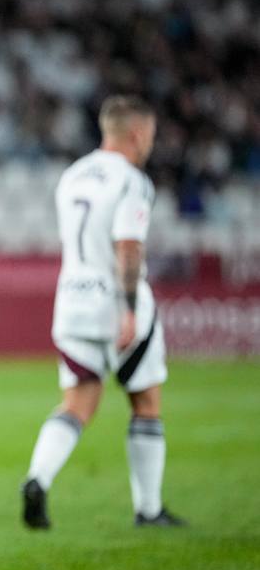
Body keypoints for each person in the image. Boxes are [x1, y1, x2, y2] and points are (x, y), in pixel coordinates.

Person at [22, 95, 185, 530]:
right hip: (114, 302)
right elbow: (128, 246)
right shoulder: (133, 181)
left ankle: (38, 477)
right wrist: (129, 309)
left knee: (77, 402)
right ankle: (149, 509)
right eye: (150, 134)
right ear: (137, 133)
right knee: (146, 400)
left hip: (72, 300)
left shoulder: (72, 175)